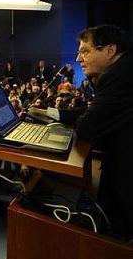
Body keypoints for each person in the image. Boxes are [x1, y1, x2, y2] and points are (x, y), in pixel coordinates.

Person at [30, 25, 133, 241]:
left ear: (110, 50)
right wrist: (48, 112)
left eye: (85, 51)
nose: (78, 58)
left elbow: (87, 126)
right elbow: (91, 112)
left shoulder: (119, 77)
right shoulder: (122, 69)